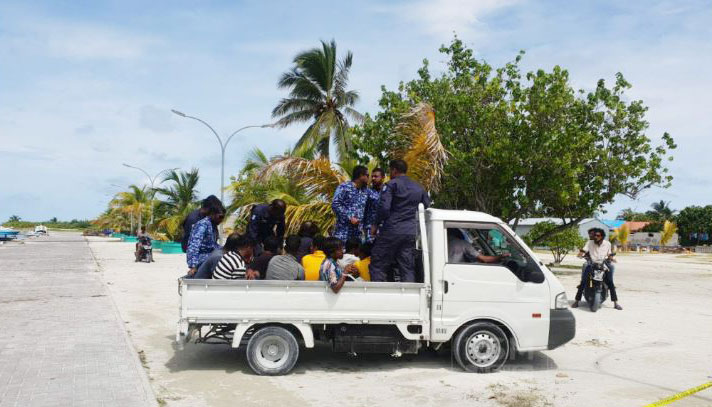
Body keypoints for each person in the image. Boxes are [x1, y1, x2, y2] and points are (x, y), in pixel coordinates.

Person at [370, 159, 430, 282]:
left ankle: (378, 294)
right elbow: (426, 205)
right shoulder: (419, 187)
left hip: (392, 230)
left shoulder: (391, 185)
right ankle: (408, 297)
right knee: (407, 266)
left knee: (378, 261)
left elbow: (384, 208)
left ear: (394, 170)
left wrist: (375, 224)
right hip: (410, 232)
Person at [572, 228, 622, 310]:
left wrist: (612, 258)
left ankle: (615, 303)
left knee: (611, 282)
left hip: (603, 264)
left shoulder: (607, 244)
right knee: (583, 282)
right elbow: (584, 250)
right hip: (592, 264)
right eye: (594, 235)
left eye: (597, 235)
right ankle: (577, 301)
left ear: (602, 236)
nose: (595, 237)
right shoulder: (590, 242)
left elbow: (609, 253)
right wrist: (580, 254)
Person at [186, 201, 225, 277]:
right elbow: (193, 246)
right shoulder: (202, 225)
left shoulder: (213, 225)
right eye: (220, 217)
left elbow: (212, 244)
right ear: (213, 214)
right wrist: (193, 266)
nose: (221, 220)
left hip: (209, 256)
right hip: (201, 259)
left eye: (223, 217)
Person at [331, 165, 370, 243]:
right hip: (343, 233)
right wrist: (349, 217)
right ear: (361, 175)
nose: (369, 178)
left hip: (357, 235)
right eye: (367, 175)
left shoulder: (366, 191)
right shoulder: (344, 187)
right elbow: (335, 204)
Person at [365, 167, 386, 242]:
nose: (373, 178)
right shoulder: (367, 192)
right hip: (370, 229)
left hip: (385, 228)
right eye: (372, 176)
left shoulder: (388, 191)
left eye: (376, 176)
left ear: (383, 177)